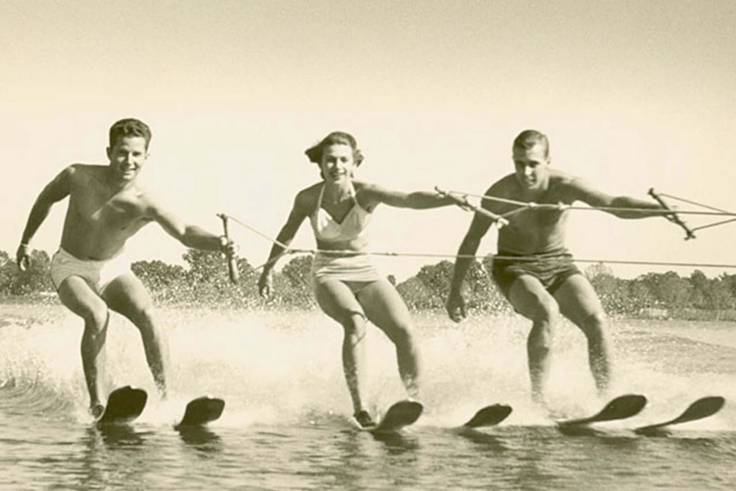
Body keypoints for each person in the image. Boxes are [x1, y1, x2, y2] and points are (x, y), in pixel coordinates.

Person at [16, 118, 235, 417]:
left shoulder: (146, 202)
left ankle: (167, 399)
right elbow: (46, 198)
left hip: (113, 267)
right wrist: (26, 242)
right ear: (109, 152)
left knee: (148, 314)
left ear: (146, 156)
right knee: (97, 313)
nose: (128, 161)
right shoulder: (77, 176)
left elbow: (184, 231)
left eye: (136, 154)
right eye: (122, 152)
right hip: (70, 267)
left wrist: (218, 242)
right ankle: (98, 403)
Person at [446, 129, 666, 407]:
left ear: (548, 160)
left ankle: (607, 401)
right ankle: (539, 402)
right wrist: (456, 289)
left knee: (596, 320)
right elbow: (472, 239)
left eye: (533, 164)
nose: (525, 171)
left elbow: (612, 204)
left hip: (558, 263)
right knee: (546, 311)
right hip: (514, 267)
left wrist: (659, 210)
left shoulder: (566, 185)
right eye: (519, 163)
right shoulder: (500, 193)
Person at [258, 131, 453, 428]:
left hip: (366, 270)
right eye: (330, 160)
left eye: (343, 160)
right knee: (355, 321)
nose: (336, 166)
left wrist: (449, 200)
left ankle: (414, 401)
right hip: (328, 273)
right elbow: (287, 233)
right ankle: (361, 409)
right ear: (321, 165)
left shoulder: (366, 193)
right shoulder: (308, 198)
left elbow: (409, 199)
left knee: (406, 331)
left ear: (354, 163)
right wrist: (268, 269)